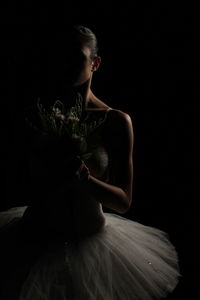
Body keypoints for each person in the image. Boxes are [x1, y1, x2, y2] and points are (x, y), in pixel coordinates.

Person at [0, 25, 180, 299]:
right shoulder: (34, 116)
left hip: (92, 245)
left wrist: (84, 179)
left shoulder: (115, 122)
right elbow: (15, 181)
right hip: (35, 240)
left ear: (95, 63)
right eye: (59, 57)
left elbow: (123, 201)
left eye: (76, 57)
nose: (65, 64)